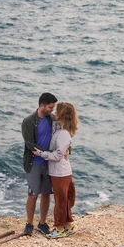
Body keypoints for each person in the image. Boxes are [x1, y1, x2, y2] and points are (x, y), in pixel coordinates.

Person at [33, 102, 78, 239]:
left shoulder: (63, 134)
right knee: (63, 199)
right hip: (61, 171)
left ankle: (59, 228)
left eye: (57, 111)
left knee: (60, 201)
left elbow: (58, 155)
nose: (55, 113)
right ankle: (68, 225)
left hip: (60, 172)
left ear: (62, 115)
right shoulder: (60, 129)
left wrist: (41, 154)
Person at [21, 93, 58, 235]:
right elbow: (30, 144)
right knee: (32, 195)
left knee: (47, 193)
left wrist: (66, 149)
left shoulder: (53, 120)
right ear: (42, 105)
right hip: (34, 163)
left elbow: (62, 136)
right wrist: (49, 153)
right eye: (50, 107)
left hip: (49, 164)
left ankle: (42, 223)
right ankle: (29, 224)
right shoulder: (29, 121)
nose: (52, 110)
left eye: (53, 107)